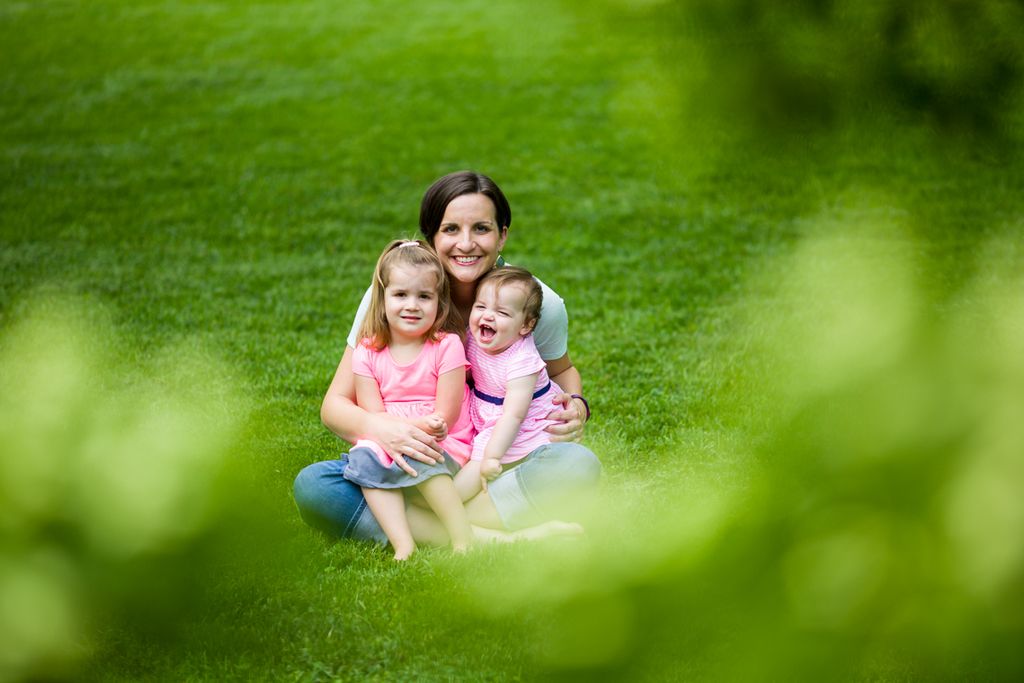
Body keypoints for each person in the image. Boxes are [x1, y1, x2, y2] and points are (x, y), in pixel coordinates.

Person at [294, 171, 600, 549]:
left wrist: (578, 406)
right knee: (314, 486)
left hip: (495, 462)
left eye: (482, 229)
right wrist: (384, 429)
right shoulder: (394, 299)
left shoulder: (535, 302)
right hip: (410, 455)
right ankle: (487, 535)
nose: (466, 244)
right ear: (431, 237)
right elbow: (334, 406)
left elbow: (563, 371)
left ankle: (424, 523)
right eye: (451, 229)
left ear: (503, 234)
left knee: (577, 465)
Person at [342, 239, 475, 560]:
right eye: (401, 294)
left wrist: (411, 430)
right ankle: (403, 542)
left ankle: (462, 536)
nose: (412, 305)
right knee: (363, 457)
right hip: (388, 436)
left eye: (424, 296)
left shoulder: (446, 346)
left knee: (420, 452)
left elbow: (445, 415)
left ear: (439, 304)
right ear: (383, 298)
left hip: (442, 439)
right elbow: (373, 414)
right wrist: (395, 434)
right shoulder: (367, 351)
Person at [453, 266, 564, 501]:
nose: (488, 316)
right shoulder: (474, 336)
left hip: (519, 423)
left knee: (476, 469)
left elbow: (514, 415)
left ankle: (445, 505)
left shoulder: (522, 361)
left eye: (502, 313)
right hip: (488, 410)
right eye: (481, 306)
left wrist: (492, 456)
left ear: (525, 326)